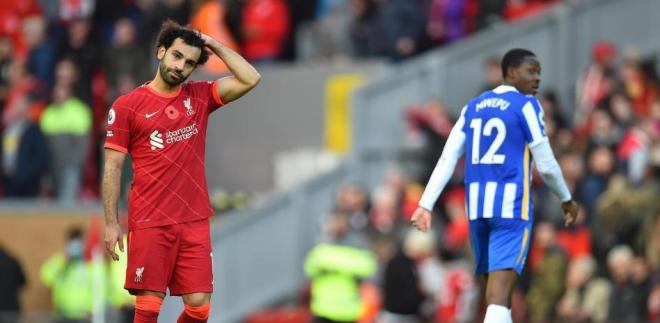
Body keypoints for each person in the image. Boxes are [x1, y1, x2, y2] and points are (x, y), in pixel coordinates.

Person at [102, 20, 260, 323]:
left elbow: (250, 78)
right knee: (148, 307)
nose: (181, 66)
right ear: (161, 51)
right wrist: (111, 223)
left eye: (189, 62)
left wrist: (211, 43)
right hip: (151, 218)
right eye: (176, 56)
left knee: (199, 307)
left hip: (193, 216)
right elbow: (112, 167)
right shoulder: (128, 106)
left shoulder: (199, 97)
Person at [410, 48, 579, 323]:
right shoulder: (526, 106)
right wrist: (566, 199)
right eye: (531, 71)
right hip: (510, 209)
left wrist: (425, 204)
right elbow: (546, 166)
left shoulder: (472, 107)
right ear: (511, 73)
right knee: (500, 294)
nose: (537, 78)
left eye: (539, 73)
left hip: (476, 210)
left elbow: (447, 157)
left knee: (496, 293)